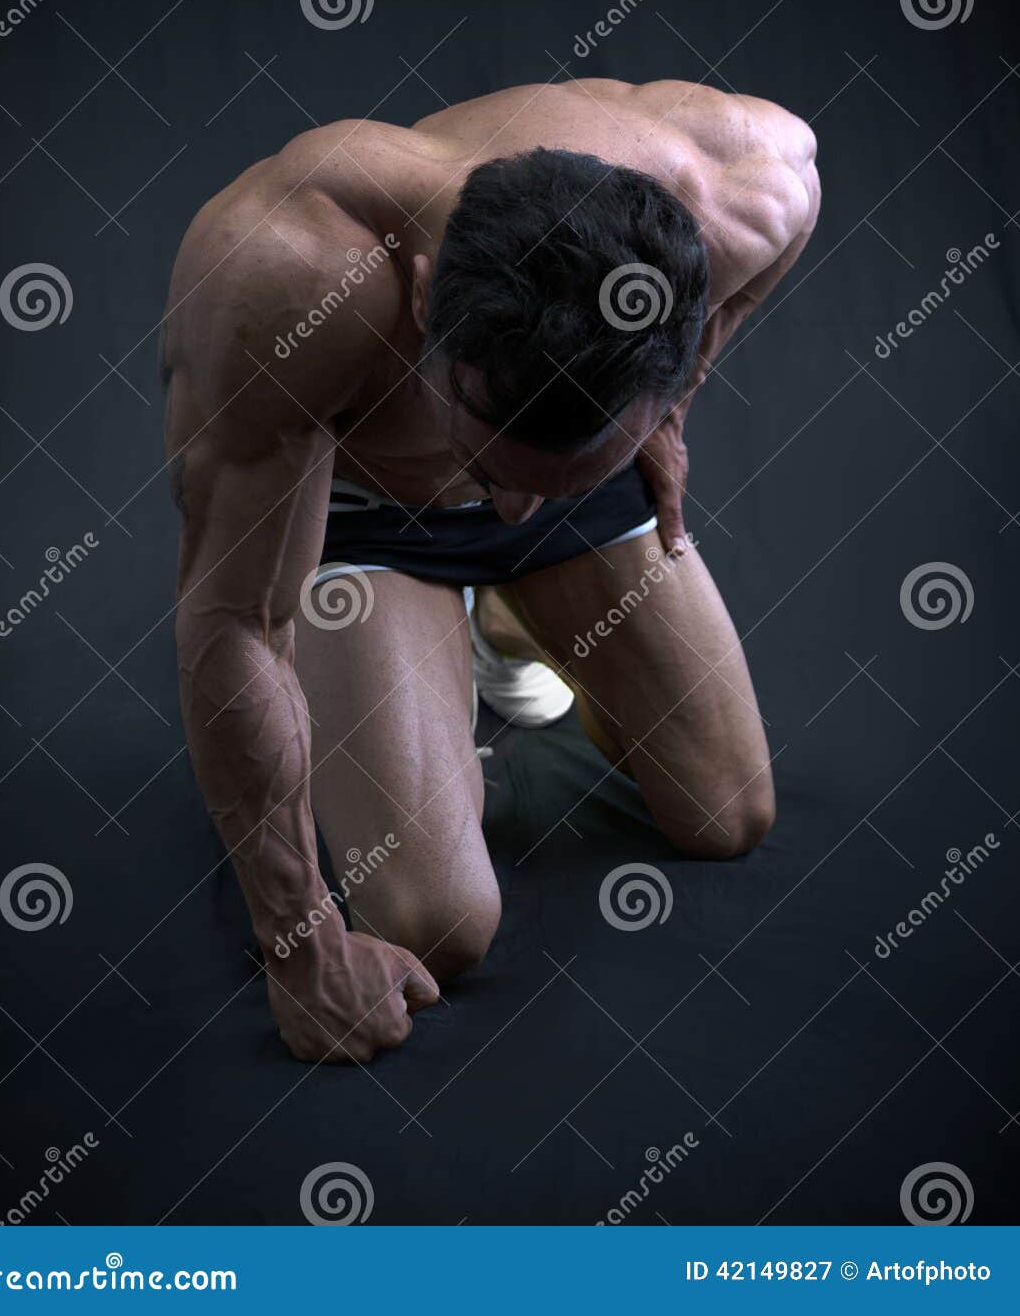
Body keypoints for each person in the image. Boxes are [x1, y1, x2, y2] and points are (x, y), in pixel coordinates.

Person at [161, 77, 821, 1064]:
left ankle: (512, 609)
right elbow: (233, 627)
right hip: (369, 521)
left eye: (541, 485)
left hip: (573, 454)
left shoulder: (735, 185)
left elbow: (795, 184)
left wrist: (665, 413)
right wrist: (299, 945)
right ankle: (425, 639)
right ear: (426, 299)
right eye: (488, 469)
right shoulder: (289, 272)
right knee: (437, 923)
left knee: (728, 816)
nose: (513, 509)